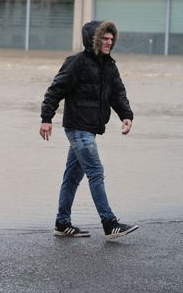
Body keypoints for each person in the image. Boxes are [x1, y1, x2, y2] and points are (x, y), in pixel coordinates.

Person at [40, 20, 138, 239]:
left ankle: (62, 223)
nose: (109, 42)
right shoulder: (77, 62)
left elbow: (117, 94)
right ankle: (109, 223)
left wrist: (126, 115)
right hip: (77, 126)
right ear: (94, 40)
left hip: (90, 128)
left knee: (72, 177)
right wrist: (47, 118)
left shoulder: (109, 65)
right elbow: (54, 90)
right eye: (104, 38)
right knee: (96, 172)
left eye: (111, 39)